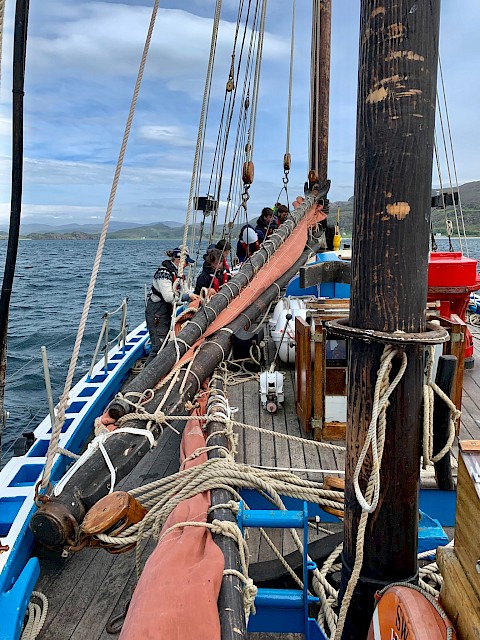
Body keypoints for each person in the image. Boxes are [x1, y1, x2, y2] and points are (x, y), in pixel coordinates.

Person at [145, 247, 198, 365]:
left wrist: (192, 295)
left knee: (166, 342)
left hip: (165, 312)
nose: (187, 265)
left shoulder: (178, 274)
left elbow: (185, 289)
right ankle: (146, 375)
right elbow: (168, 297)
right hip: (156, 313)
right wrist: (186, 297)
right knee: (158, 346)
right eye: (186, 262)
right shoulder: (163, 274)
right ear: (179, 260)